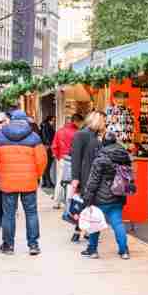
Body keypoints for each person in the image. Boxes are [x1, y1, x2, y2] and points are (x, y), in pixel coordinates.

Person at [0, 110, 47, 256]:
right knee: (31, 213)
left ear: (10, 120)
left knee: (8, 214)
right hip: (29, 183)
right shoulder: (34, 137)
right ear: (26, 121)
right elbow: (42, 160)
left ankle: (8, 245)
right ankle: (33, 245)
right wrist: (36, 175)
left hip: (7, 183)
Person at [81, 133, 132, 260]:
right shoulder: (125, 156)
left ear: (104, 143)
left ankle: (92, 250)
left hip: (101, 198)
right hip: (118, 195)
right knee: (118, 223)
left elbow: (93, 180)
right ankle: (124, 250)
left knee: (95, 223)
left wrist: (87, 197)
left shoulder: (100, 158)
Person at [70, 111, 105, 243]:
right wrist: (75, 178)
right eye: (103, 121)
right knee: (85, 204)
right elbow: (76, 157)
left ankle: (84, 231)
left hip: (95, 175)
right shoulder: (81, 134)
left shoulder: (96, 136)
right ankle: (78, 231)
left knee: (89, 204)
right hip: (85, 175)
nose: (105, 124)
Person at [51, 113, 82, 209]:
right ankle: (68, 203)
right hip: (73, 159)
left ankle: (56, 202)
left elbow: (54, 146)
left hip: (61, 158)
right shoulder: (78, 133)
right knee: (71, 181)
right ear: (76, 122)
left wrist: (58, 157)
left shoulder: (60, 131)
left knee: (60, 180)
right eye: (80, 122)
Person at [41, 115, 56, 189]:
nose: (54, 122)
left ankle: (45, 182)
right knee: (47, 166)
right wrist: (49, 146)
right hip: (48, 148)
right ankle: (48, 183)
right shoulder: (47, 127)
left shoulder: (44, 126)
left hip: (47, 148)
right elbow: (46, 137)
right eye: (53, 120)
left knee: (46, 166)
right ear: (49, 120)